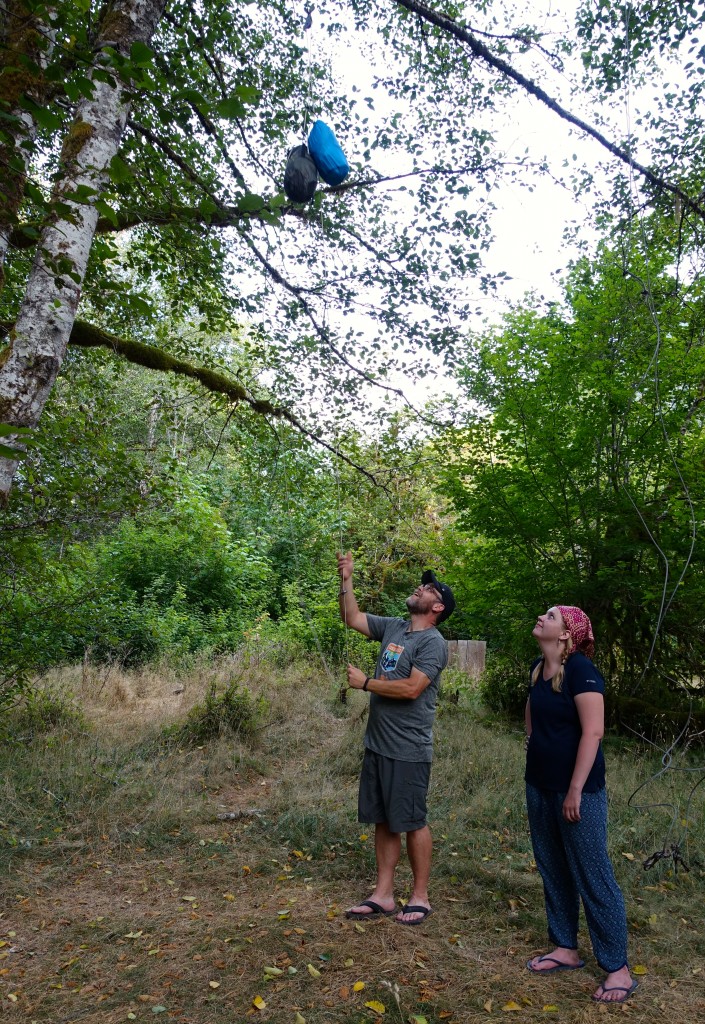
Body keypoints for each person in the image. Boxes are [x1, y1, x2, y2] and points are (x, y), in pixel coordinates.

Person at [525, 605, 637, 1004]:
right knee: (553, 865)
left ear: (567, 634)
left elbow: (594, 732)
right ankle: (565, 948)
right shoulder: (540, 669)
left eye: (551, 616)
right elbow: (533, 719)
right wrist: (535, 749)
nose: (543, 617)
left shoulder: (581, 670)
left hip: (578, 792)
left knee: (592, 872)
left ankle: (618, 969)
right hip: (539, 785)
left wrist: (574, 790)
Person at [336, 551, 455, 925]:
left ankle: (420, 897)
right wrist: (347, 578)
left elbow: (412, 689)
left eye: (428, 587)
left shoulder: (433, 643)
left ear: (437, 606)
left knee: (412, 820)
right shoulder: (395, 627)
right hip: (378, 744)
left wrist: (367, 683)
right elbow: (351, 617)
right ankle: (383, 895)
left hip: (408, 749)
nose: (420, 587)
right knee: (383, 820)